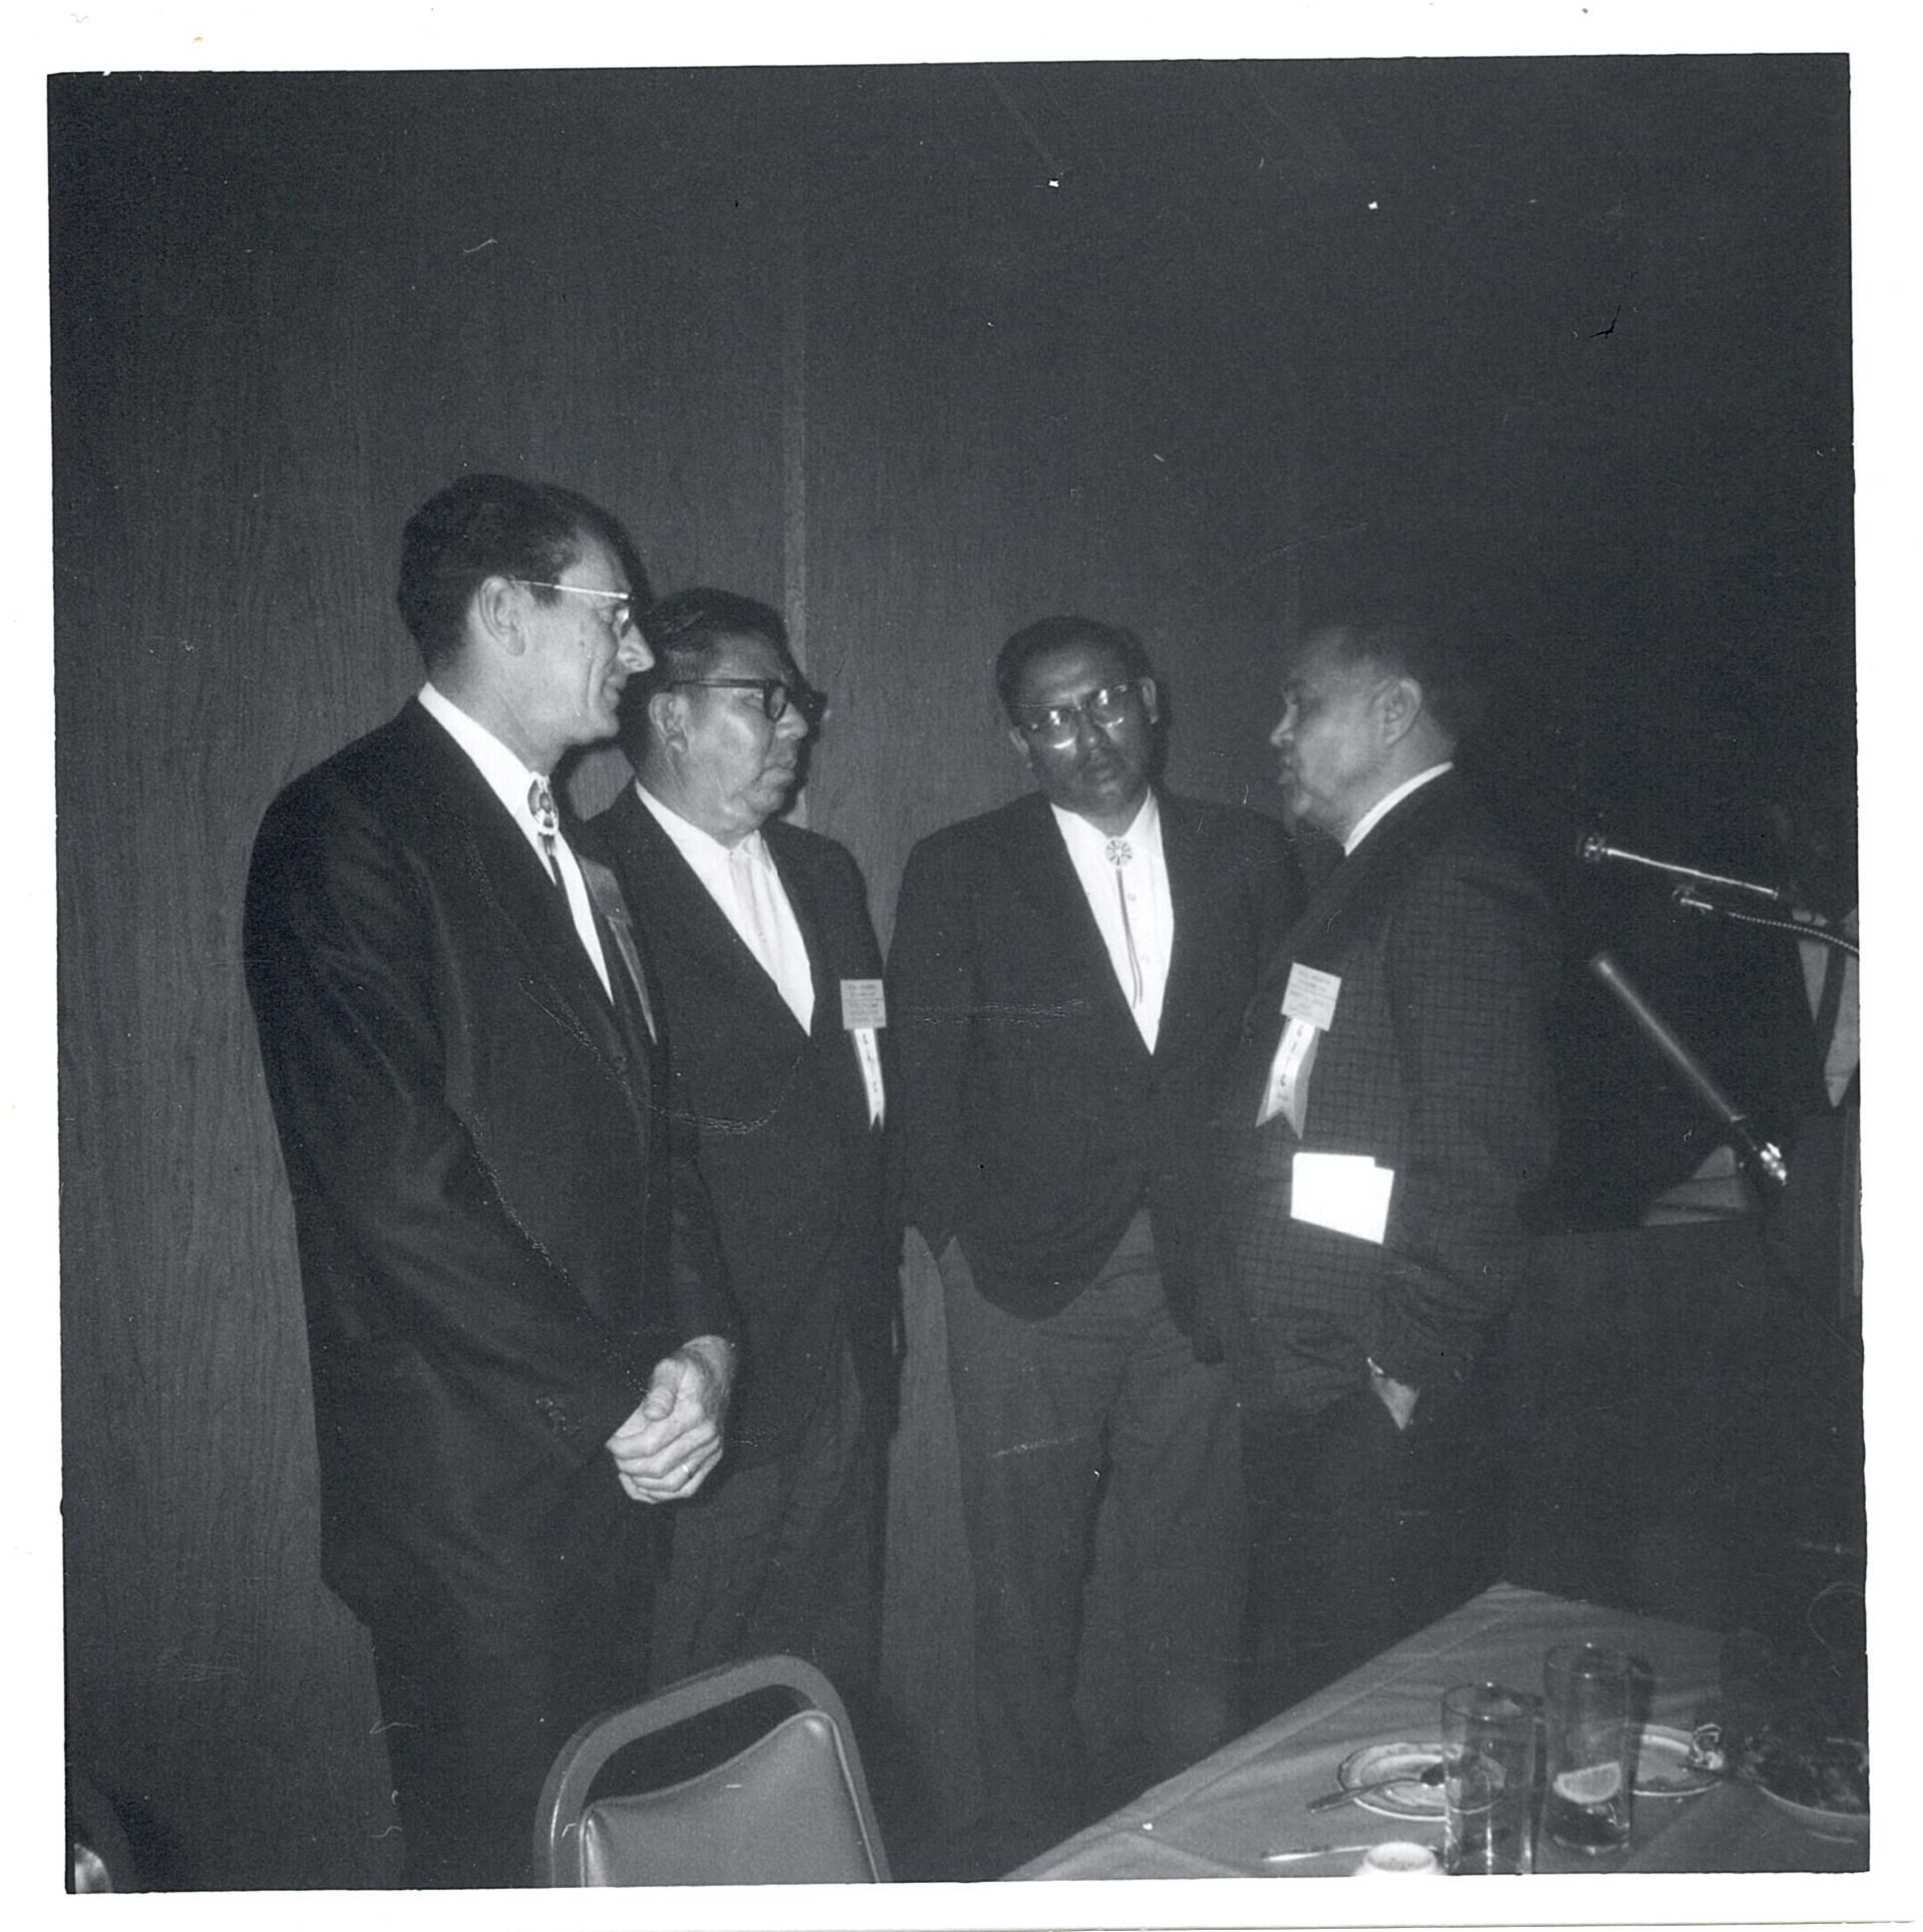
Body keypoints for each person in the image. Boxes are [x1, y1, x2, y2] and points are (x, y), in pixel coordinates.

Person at [243, 475, 738, 1888]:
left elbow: (655, 1141)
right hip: (475, 1506)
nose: (637, 651)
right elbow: (396, 1188)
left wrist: (705, 1341)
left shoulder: (579, 850)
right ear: (505, 612)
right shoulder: (348, 825)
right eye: (614, 614)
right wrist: (621, 1392)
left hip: (611, 1469)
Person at [888, 614, 1296, 1860]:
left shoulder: (1247, 852)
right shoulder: (961, 866)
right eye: (1054, 718)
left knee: (1199, 1574)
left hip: (1196, 1275)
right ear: (1019, 741)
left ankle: (1192, 1835)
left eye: (1107, 701)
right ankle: (1036, 1849)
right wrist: (958, 1245)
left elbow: (1286, 1055)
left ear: (1151, 699)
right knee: (1026, 1587)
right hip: (1026, 1288)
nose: (1089, 734)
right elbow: (921, 1077)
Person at [1208, 615, 1558, 1717]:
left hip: (1372, 1387)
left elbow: (1483, 1154)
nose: (1277, 732)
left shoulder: (1450, 875)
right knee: (1324, 1699)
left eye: (1302, 704)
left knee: (1367, 1711)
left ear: (1395, 711)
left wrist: (1402, 1369)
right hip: (1320, 1367)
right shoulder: (1380, 864)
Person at [587, 587, 889, 1719]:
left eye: (797, 700)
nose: (798, 724)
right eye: (767, 699)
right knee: (690, 1704)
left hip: (844, 1365)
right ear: (669, 713)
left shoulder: (825, 873)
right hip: (700, 1388)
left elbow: (864, 1079)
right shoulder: (590, 881)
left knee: (820, 1694)